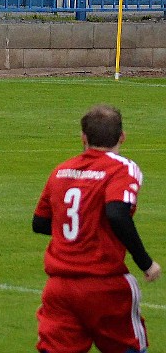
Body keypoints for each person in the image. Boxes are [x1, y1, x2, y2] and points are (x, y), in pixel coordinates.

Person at [33, 104, 161, 353]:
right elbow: (116, 212)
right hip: (106, 286)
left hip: (59, 289)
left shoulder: (61, 170)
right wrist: (146, 262)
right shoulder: (122, 167)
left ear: (83, 138)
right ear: (122, 136)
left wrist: (82, 227)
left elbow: (40, 223)